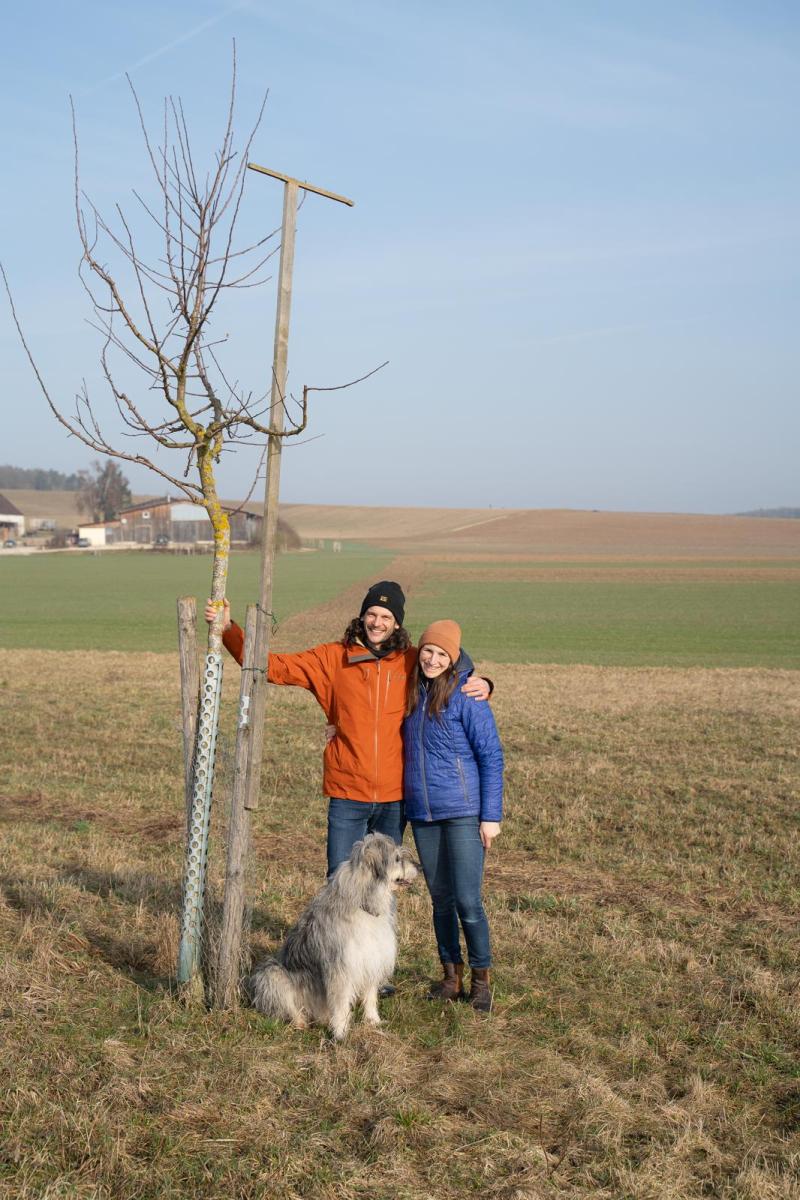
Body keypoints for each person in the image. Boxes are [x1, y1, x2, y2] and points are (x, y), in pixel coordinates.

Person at [204, 582, 491, 879]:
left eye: (386, 617)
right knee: (340, 880)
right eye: (372, 614)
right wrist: (228, 630)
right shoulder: (332, 658)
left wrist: (483, 683)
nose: (377, 623)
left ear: (396, 624)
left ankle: (376, 927)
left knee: (383, 882)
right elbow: (271, 666)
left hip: (395, 797)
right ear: (362, 616)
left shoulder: (411, 661)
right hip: (348, 792)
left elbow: (447, 661)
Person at [403, 619, 504, 1013]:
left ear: (454, 658)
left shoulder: (467, 696)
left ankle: (481, 980)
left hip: (463, 812)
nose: (432, 659)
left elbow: (491, 757)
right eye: (428, 650)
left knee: (467, 900)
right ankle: (450, 975)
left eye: (442, 654)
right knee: (440, 899)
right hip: (424, 815)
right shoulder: (411, 691)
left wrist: (490, 816)